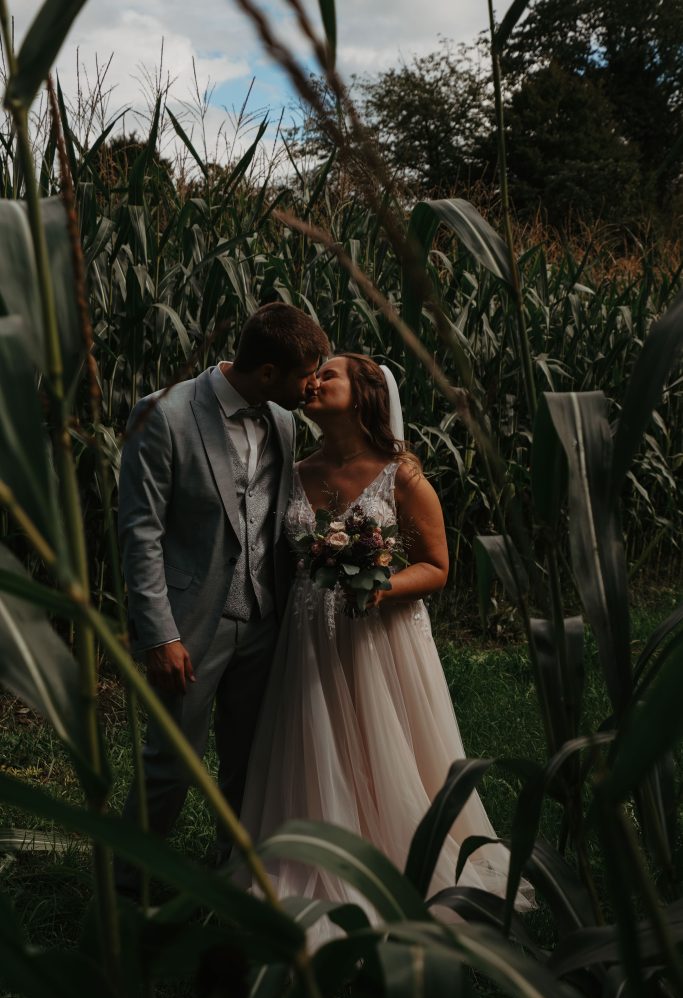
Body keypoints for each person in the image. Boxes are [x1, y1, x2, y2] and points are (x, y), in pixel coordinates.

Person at [237, 354, 534, 936]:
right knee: (316, 736)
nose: (314, 380)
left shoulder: (401, 476)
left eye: (329, 374)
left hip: (381, 633)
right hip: (309, 635)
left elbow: (437, 566)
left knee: (387, 742)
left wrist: (379, 588)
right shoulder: (295, 472)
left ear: (365, 393)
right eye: (314, 373)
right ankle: (318, 850)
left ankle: (401, 852)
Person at [115, 302, 330, 894]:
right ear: (268, 373)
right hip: (188, 626)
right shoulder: (163, 414)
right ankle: (129, 887)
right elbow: (140, 533)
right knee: (171, 763)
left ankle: (234, 878)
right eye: (306, 375)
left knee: (252, 763)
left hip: (265, 620)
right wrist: (159, 633)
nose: (312, 386)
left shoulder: (283, 420)